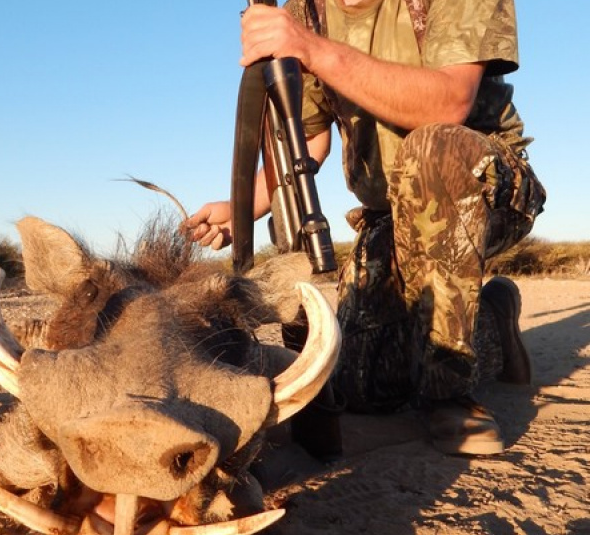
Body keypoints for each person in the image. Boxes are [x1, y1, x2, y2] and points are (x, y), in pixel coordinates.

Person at [184, 0, 545, 456]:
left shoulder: (310, 33)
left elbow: (451, 102)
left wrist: (312, 49)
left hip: (486, 187)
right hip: (391, 215)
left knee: (432, 146)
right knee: (356, 384)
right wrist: (240, 209)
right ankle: (493, 322)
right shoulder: (305, 12)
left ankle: (448, 390)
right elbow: (308, 141)